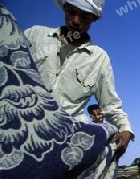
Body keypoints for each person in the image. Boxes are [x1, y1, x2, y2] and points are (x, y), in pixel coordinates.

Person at [24, 0, 133, 152]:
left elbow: (110, 105)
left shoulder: (98, 59)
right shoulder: (34, 35)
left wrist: (125, 129)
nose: (76, 20)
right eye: (71, 11)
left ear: (94, 18)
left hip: (62, 140)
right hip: (18, 128)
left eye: (85, 16)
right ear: (64, 8)